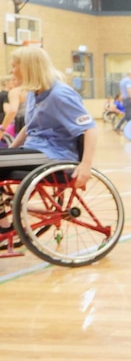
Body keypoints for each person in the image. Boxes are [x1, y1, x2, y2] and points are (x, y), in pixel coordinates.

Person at [0, 46, 97, 231]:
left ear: (28, 67)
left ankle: (3, 224)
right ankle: (3, 219)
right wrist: (10, 151)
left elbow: (90, 129)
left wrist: (86, 166)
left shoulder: (60, 94)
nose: (11, 71)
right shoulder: (33, 93)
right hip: (34, 150)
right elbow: (30, 127)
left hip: (53, 155)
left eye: (14, 66)